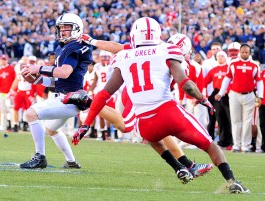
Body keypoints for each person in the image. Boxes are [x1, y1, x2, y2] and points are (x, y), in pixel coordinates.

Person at [72, 17, 250, 193]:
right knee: (210, 145)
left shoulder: (125, 56)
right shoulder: (168, 51)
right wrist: (204, 100)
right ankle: (232, 181)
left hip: (145, 120)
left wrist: (86, 124)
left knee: (152, 137)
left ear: (135, 34)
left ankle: (181, 166)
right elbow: (186, 84)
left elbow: (103, 94)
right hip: (168, 111)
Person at [79, 33, 214, 178]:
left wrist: (93, 41)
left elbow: (118, 47)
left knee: (163, 130)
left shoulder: (155, 47)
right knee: (126, 126)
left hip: (143, 94)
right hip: (139, 94)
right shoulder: (174, 58)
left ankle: (186, 166)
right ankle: (87, 101)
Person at [19, 13, 93, 169]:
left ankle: (40, 157)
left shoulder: (76, 46)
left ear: (76, 29)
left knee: (31, 113)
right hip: (64, 96)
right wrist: (35, 79)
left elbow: (64, 72)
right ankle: (71, 162)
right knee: (51, 129)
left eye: (67, 27)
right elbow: (58, 81)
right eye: (61, 28)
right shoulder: (62, 48)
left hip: (70, 99)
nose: (63, 31)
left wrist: (38, 68)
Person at [215, 44, 264, 153]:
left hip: (249, 95)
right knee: (235, 120)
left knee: (247, 121)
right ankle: (236, 145)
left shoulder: (254, 65)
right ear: (239, 52)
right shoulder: (232, 64)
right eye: (243, 52)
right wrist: (221, 92)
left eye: (246, 52)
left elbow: (259, 82)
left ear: (249, 53)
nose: (244, 54)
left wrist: (260, 96)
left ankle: (245, 145)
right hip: (234, 94)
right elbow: (227, 79)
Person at [204, 51, 233, 150]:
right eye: (219, 56)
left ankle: (230, 141)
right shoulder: (213, 70)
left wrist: (227, 90)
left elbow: (233, 80)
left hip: (227, 94)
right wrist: (205, 94)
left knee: (229, 118)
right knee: (219, 118)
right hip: (216, 94)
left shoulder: (229, 67)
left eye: (222, 56)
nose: (220, 57)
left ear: (225, 58)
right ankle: (221, 141)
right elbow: (205, 81)